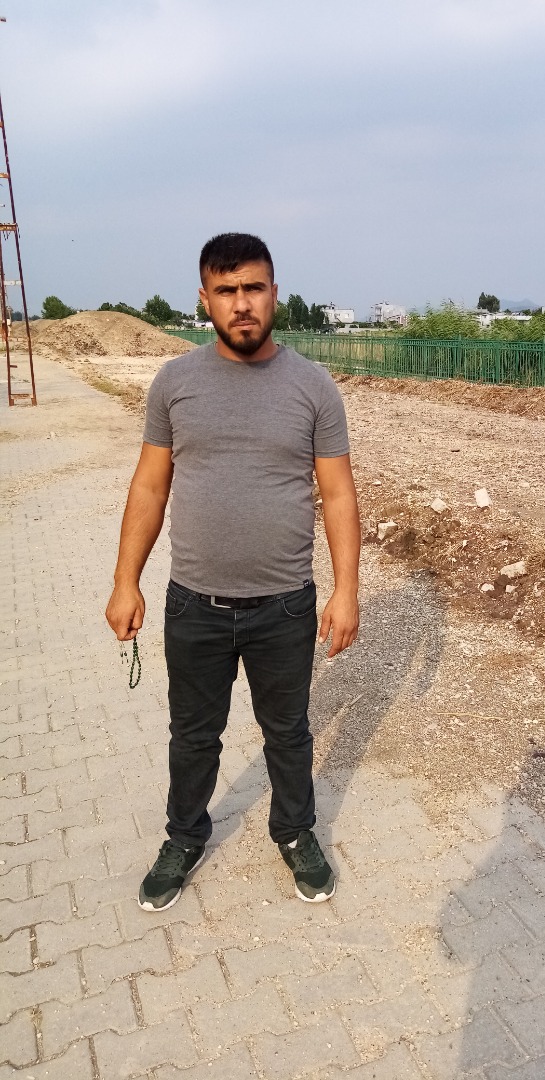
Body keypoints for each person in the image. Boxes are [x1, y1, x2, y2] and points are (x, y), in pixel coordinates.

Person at [105, 232, 360, 912]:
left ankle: (295, 831)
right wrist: (125, 580)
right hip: (195, 604)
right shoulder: (175, 383)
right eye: (226, 291)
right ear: (204, 300)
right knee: (193, 736)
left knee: (289, 733)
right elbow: (149, 486)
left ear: (275, 293)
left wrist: (346, 592)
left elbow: (338, 494)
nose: (241, 304)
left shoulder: (313, 386)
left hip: (285, 605)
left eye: (253, 288)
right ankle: (184, 837)